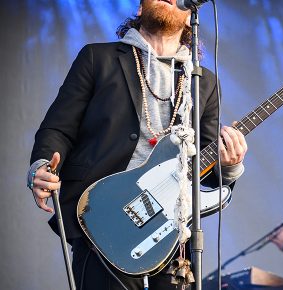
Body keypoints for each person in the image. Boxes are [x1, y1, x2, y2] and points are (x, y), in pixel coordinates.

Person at [27, 1, 247, 289]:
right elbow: (58, 127)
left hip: (172, 233)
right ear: (141, 9)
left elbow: (208, 167)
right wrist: (41, 166)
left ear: (191, 16)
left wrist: (230, 165)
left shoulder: (203, 82)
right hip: (106, 217)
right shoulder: (98, 58)